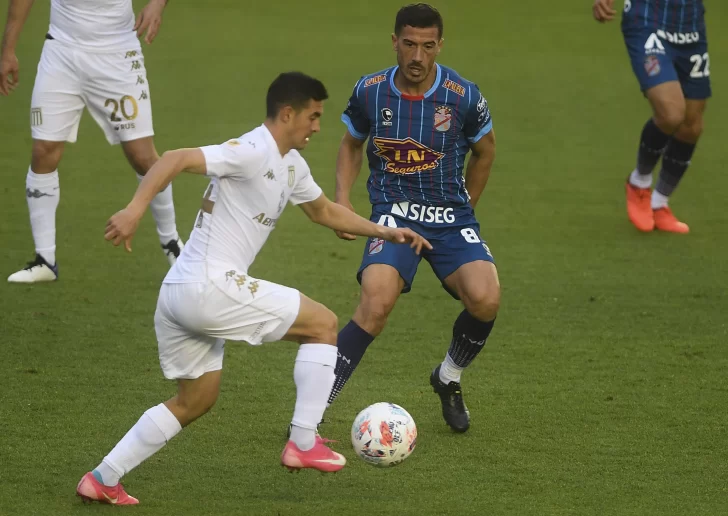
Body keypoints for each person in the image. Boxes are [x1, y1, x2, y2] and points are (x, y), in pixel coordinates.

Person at [75, 72, 431, 505]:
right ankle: (302, 441)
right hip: (208, 286)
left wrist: (385, 232)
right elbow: (171, 158)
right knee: (324, 324)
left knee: (196, 399)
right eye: (314, 116)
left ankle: (102, 477)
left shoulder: (292, 165)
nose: (318, 126)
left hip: (179, 294)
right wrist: (134, 210)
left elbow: (322, 211)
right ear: (288, 113)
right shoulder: (251, 150)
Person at [327, 3, 499, 433]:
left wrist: (466, 210)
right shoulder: (370, 90)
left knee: (486, 299)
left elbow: (486, 150)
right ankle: (311, 412)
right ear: (394, 43)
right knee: (375, 304)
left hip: (450, 215)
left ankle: (448, 377)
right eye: (408, 45)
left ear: (440, 45)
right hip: (393, 214)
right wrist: (343, 200)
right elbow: (350, 144)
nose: (417, 56)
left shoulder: (463, 96)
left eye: (427, 46)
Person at [0, 0, 184, 283]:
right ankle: (45, 260)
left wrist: (158, 4)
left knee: (143, 156)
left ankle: (173, 244)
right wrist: (8, 50)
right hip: (61, 49)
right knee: (43, 150)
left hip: (117, 51)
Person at [593, 0, 710, 234]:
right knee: (671, 113)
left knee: (691, 125)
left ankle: (659, 203)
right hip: (647, 20)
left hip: (691, 27)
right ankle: (639, 183)